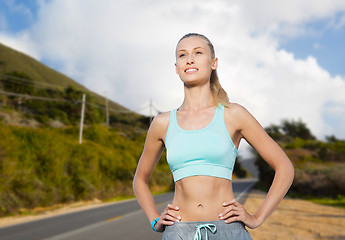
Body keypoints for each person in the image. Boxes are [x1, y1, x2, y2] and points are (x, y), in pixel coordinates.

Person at [133, 33, 294, 239]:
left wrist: (257, 218)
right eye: (183, 55)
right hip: (179, 233)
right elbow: (140, 180)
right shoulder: (162, 123)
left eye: (198, 53)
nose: (189, 59)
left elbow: (285, 167)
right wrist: (155, 220)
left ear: (213, 63)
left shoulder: (234, 114)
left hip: (229, 231)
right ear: (176, 67)